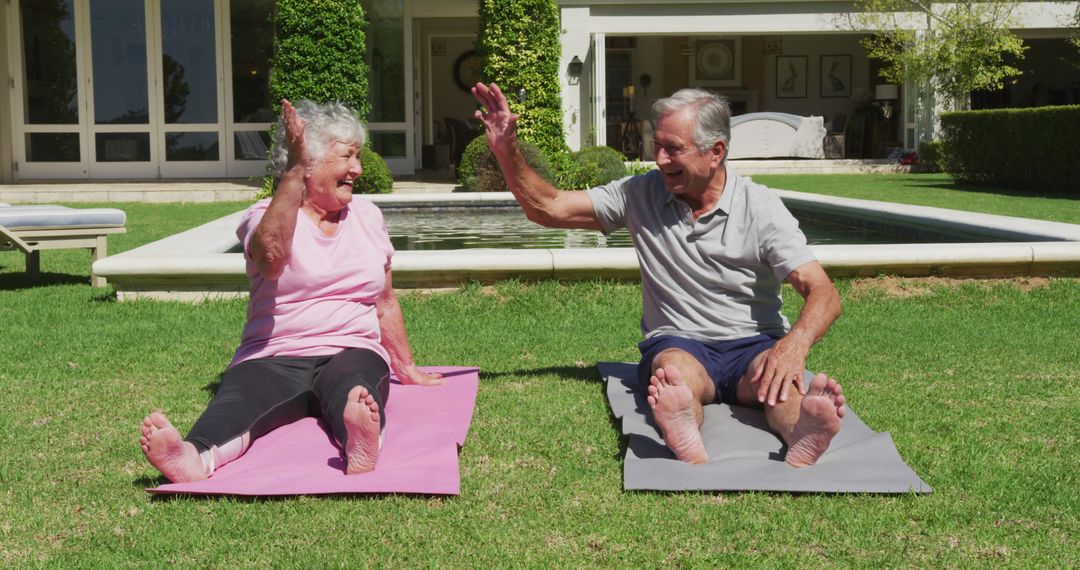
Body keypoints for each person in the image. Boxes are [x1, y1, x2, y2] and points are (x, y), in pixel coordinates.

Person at [470, 83, 845, 467]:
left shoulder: (760, 207)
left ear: (716, 151)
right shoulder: (640, 194)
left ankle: (802, 431)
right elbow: (548, 208)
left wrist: (793, 345)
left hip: (752, 345)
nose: (660, 160)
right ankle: (683, 426)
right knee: (676, 377)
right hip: (679, 342)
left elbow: (824, 293)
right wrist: (506, 149)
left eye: (674, 149)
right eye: (657, 146)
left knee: (779, 388)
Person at [139, 99, 442, 483]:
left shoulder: (368, 217)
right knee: (238, 402)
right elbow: (269, 258)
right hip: (274, 353)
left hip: (352, 346)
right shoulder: (263, 215)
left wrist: (407, 367)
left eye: (358, 157)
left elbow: (383, 301)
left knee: (357, 392)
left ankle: (360, 443)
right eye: (348, 157)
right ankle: (192, 456)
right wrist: (294, 172)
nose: (358, 169)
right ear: (309, 162)